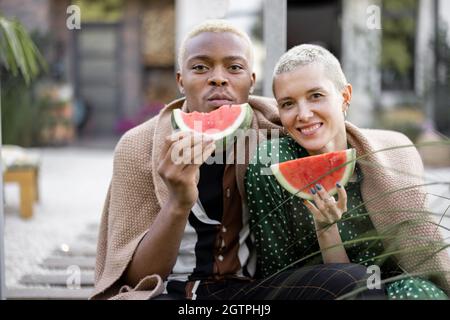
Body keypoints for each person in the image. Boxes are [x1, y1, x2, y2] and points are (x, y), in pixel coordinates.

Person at [91, 21, 384, 300]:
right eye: (200, 67)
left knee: (351, 280)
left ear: (251, 82)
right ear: (181, 81)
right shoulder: (139, 147)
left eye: (234, 67)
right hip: (177, 294)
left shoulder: (278, 128)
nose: (218, 78)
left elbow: (335, 127)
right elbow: (136, 278)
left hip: (257, 296)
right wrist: (177, 202)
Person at [245, 44, 450, 299]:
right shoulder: (271, 163)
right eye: (288, 103)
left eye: (316, 95)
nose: (304, 114)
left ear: (345, 97)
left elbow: (413, 264)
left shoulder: (388, 160)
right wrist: (327, 230)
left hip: (388, 289)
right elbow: (276, 276)